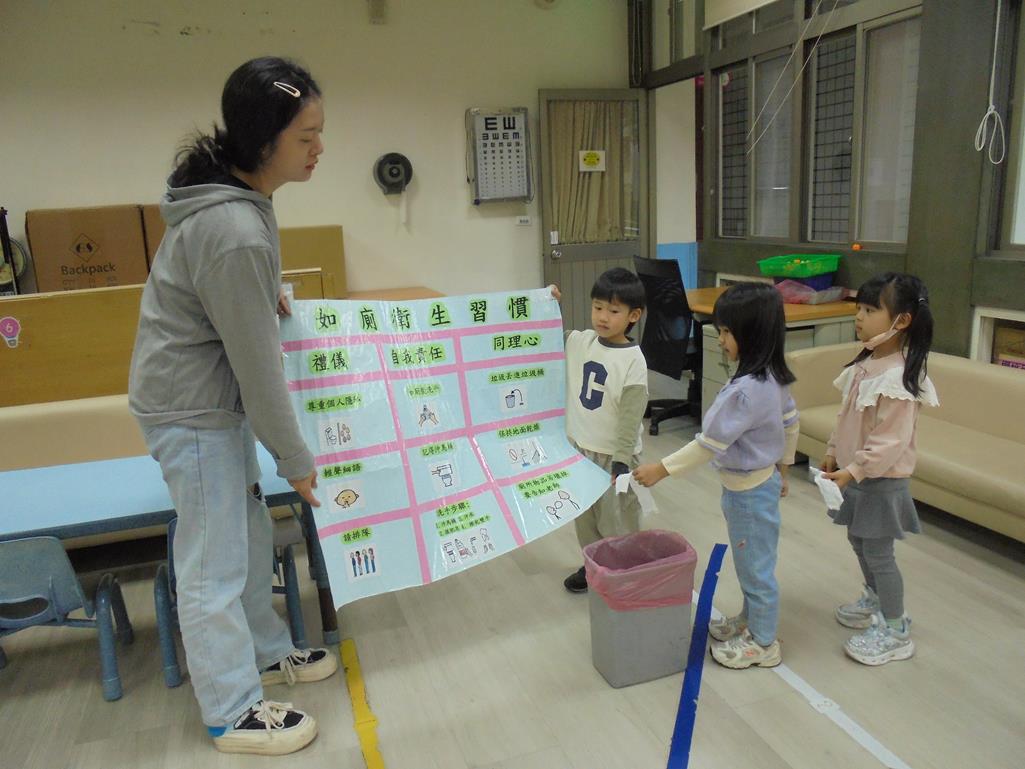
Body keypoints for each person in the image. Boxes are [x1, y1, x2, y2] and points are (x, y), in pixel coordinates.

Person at [129, 57, 336, 755]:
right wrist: (295, 457)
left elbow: (230, 303)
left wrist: (260, 293)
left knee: (245, 537)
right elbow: (257, 366)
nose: (319, 148)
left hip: (208, 400)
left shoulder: (238, 198)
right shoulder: (234, 228)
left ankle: (268, 653)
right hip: (192, 409)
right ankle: (231, 710)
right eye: (306, 136)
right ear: (263, 139)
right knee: (212, 562)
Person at [634, 283, 798, 669]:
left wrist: (661, 469)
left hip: (750, 493)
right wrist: (784, 469)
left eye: (726, 331)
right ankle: (751, 620)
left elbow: (707, 444)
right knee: (750, 560)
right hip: (756, 484)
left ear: (752, 335)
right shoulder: (771, 378)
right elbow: (791, 422)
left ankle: (764, 641)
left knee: (755, 567)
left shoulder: (747, 392)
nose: (720, 339)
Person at [820, 272, 937, 666]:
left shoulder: (898, 377)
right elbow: (847, 416)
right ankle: (875, 598)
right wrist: (834, 451)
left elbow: (891, 442)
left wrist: (855, 469)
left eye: (870, 310)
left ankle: (896, 628)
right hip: (858, 475)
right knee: (858, 540)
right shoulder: (867, 363)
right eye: (859, 308)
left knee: (879, 552)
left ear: (902, 321)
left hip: (881, 481)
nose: (859, 317)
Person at [551, 268, 649, 593]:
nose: (603, 317)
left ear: (633, 315)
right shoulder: (581, 341)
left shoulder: (633, 360)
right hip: (581, 453)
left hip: (614, 459)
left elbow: (631, 416)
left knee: (618, 522)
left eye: (613, 310)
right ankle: (594, 564)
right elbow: (548, 336)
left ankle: (625, 574)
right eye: (598, 307)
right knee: (586, 518)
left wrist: (621, 460)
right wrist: (548, 305)